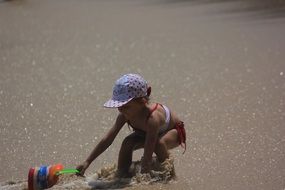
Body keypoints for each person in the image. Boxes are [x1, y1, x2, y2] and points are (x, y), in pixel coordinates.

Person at [76, 73, 186, 177]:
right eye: (118, 105)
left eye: (125, 106)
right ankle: (122, 174)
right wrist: (87, 161)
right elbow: (108, 139)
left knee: (158, 143)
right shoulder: (124, 115)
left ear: (142, 102)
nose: (120, 109)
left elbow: (150, 145)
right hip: (147, 133)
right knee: (127, 142)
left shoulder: (153, 118)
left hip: (173, 132)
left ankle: (170, 175)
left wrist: (144, 171)